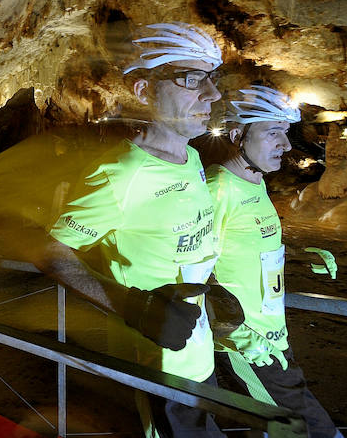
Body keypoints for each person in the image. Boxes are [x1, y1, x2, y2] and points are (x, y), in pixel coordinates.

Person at [39, 22, 228, 437]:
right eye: (193, 79)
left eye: (212, 80)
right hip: (157, 371)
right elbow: (52, 252)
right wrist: (129, 306)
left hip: (200, 356)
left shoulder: (193, 160)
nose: (212, 95)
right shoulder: (120, 176)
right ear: (145, 92)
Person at [206, 85, 343, 438]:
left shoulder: (255, 183)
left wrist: (293, 255)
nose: (285, 145)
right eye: (273, 133)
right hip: (248, 344)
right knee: (310, 431)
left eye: (286, 133)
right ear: (237, 136)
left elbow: (242, 247)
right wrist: (233, 333)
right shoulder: (218, 190)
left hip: (275, 334)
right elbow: (190, 270)